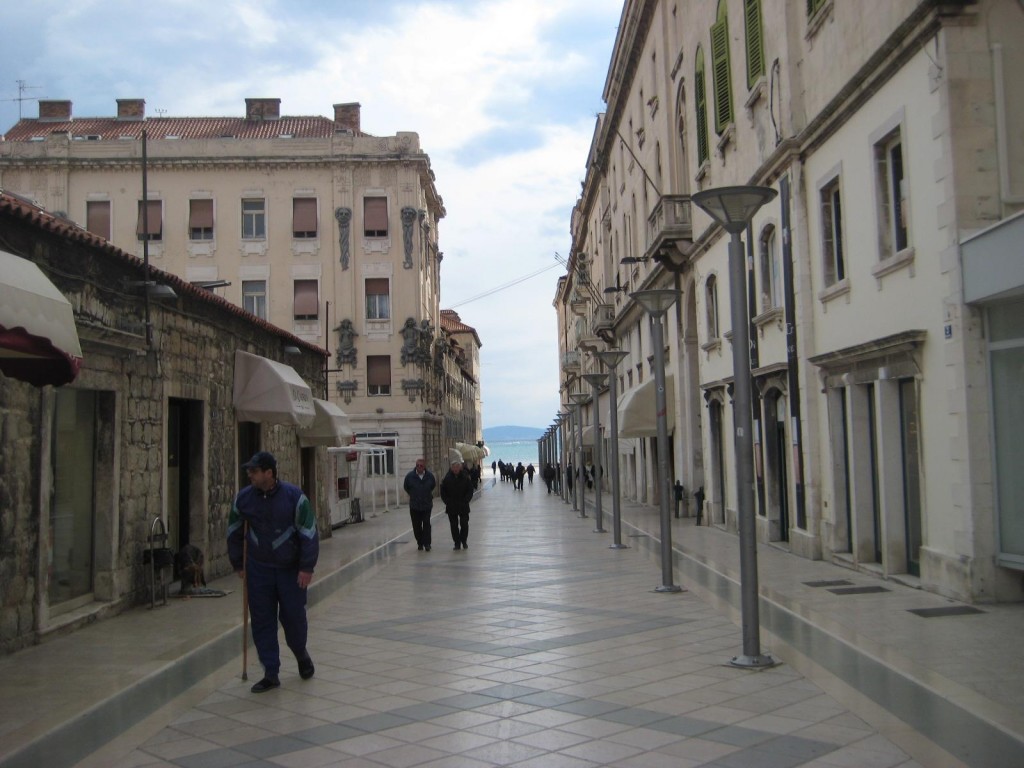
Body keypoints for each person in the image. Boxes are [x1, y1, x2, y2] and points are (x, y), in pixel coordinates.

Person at [228, 451, 318, 694]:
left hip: (290, 570)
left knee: (293, 619)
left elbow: (308, 532)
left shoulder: (294, 497)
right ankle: (270, 672)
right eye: (249, 471)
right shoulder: (244, 499)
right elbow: (234, 530)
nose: (250, 475)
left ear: (269, 473)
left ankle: (301, 654)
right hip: (259, 569)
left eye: (254, 471)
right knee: (262, 621)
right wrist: (238, 563)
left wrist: (306, 567)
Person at [440, 457, 475, 550]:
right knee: (454, 526)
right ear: (451, 468)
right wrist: (447, 501)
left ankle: (464, 541)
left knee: (464, 524)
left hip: (463, 505)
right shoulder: (447, 479)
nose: (455, 469)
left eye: (457, 467)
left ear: (460, 468)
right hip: (451, 506)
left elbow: (470, 490)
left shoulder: (465, 478)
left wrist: (466, 500)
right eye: (454, 467)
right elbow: (443, 492)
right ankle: (457, 542)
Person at [403, 457, 436, 551]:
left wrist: (426, 494)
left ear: (424, 466)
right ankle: (420, 542)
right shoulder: (410, 476)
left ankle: (427, 544)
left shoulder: (429, 476)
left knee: (426, 524)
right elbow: (406, 487)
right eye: (417, 465)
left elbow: (433, 485)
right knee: (416, 525)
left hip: (426, 504)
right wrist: (413, 494)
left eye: (421, 466)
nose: (419, 467)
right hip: (415, 505)